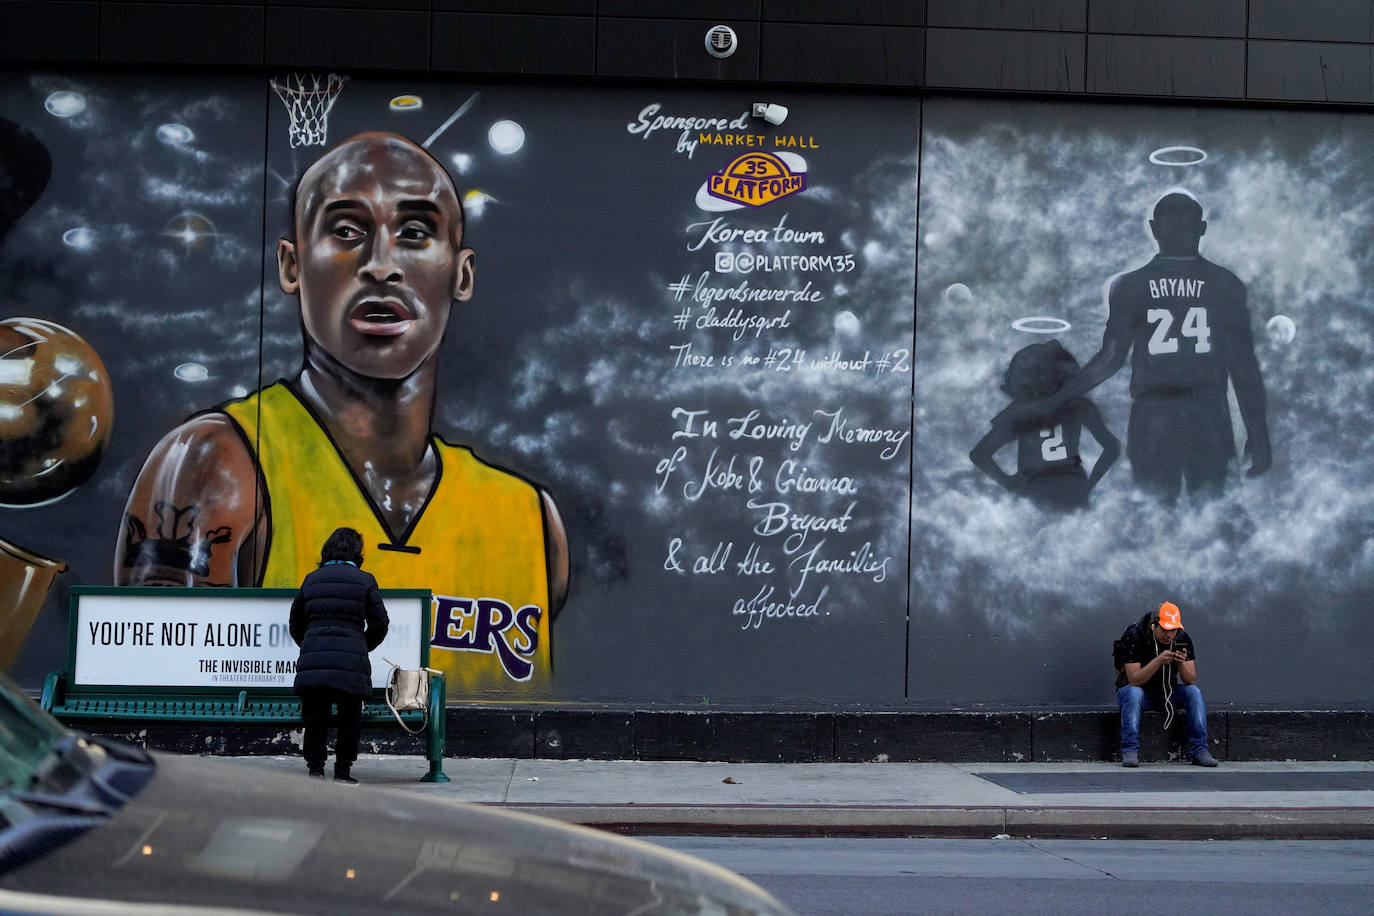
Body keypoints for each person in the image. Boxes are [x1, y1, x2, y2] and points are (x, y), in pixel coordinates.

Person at [115, 132, 569, 694]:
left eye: (416, 233)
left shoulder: (531, 520)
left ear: (462, 274)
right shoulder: (216, 461)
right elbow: (155, 697)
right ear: (292, 265)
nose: (381, 265)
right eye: (347, 231)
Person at [1007, 191, 1270, 504]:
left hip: (1155, 414)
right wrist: (1258, 430)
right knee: (1212, 511)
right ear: (1201, 228)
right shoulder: (1225, 284)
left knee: (1155, 513)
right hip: (1206, 412)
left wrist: (1058, 398)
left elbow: (1110, 358)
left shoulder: (1132, 285)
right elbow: (1243, 366)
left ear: (1154, 228)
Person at [970, 339, 1120, 511]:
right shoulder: (1080, 405)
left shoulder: (1018, 412)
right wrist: (1089, 485)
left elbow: (979, 454)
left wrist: (1009, 482)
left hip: (1035, 488)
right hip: (1071, 487)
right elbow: (1112, 448)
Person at [290, 526, 389, 783]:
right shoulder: (365, 580)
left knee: (315, 718)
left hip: (314, 660)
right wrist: (362, 645)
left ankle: (315, 770)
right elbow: (381, 623)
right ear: (357, 553)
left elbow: (295, 622)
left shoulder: (311, 579)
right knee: (349, 718)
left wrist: (309, 644)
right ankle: (343, 773)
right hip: (350, 661)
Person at [1113, 600, 1218, 767]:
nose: (1169, 635)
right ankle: (1130, 750)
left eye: (1173, 630)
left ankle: (1200, 750)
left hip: (1166, 693)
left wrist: (1182, 662)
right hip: (1135, 694)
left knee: (1193, 692)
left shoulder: (1181, 637)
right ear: (1154, 625)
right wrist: (1158, 661)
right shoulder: (1134, 635)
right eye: (1165, 630)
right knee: (1134, 692)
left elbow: (1190, 679)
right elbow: (1133, 680)